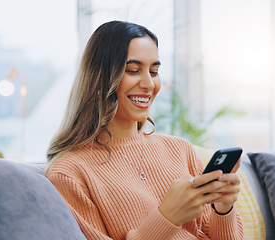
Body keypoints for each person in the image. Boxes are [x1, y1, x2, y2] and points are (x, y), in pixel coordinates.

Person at [45, 20, 243, 240]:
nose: (149, 84)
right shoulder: (69, 174)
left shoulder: (179, 150)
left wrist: (222, 208)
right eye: (133, 70)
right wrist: (167, 217)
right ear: (100, 78)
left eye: (154, 71)